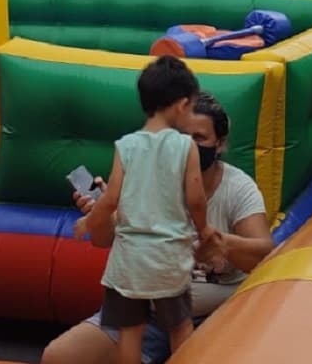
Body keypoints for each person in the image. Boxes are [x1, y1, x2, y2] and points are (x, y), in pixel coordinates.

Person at [43, 93, 275, 364]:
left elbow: (265, 254)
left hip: (213, 319)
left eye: (198, 139)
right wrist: (103, 213)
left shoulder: (236, 188)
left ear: (220, 144)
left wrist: (221, 242)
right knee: (58, 357)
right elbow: (104, 240)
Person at [75, 56, 216, 364]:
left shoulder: (125, 146)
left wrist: (90, 220)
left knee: (130, 333)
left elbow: (110, 199)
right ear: (180, 105)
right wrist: (204, 229)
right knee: (180, 328)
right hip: (167, 258)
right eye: (191, 107)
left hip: (129, 262)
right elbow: (195, 198)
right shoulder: (184, 146)